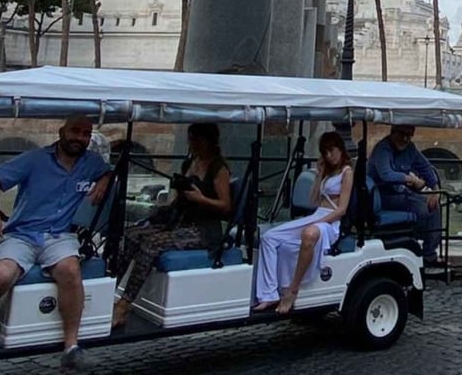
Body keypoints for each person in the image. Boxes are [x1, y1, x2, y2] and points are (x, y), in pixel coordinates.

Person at [0, 116, 112, 372]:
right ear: (61, 131)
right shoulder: (34, 159)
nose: (79, 138)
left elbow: (109, 170)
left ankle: (71, 347)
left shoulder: (91, 163)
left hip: (59, 236)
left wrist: (104, 180)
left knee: (70, 270)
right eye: (75, 131)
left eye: (85, 134)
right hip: (21, 234)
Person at [111, 123, 232, 328]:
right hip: (180, 221)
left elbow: (226, 206)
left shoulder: (218, 169)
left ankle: (124, 304)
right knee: (131, 234)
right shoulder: (190, 162)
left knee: (151, 243)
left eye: (196, 139)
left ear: (208, 141)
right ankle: (109, 290)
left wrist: (201, 199)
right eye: (190, 139)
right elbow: (179, 198)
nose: (192, 143)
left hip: (203, 229)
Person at [255, 131, 353, 314]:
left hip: (331, 222)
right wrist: (319, 175)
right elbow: (314, 200)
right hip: (317, 215)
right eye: (325, 152)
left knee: (309, 233)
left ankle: (292, 290)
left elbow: (342, 209)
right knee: (269, 237)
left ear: (340, 149)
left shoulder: (347, 172)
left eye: (332, 150)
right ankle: (269, 293)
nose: (329, 155)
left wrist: (319, 222)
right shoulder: (327, 173)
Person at [367, 124, 441, 264]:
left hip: (400, 194)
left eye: (409, 135)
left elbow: (425, 166)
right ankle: (421, 246)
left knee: (434, 206)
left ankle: (429, 253)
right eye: (402, 134)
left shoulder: (410, 148)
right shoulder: (382, 149)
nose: (405, 139)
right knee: (423, 208)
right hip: (382, 197)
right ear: (392, 132)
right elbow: (386, 175)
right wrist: (410, 179)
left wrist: (435, 190)